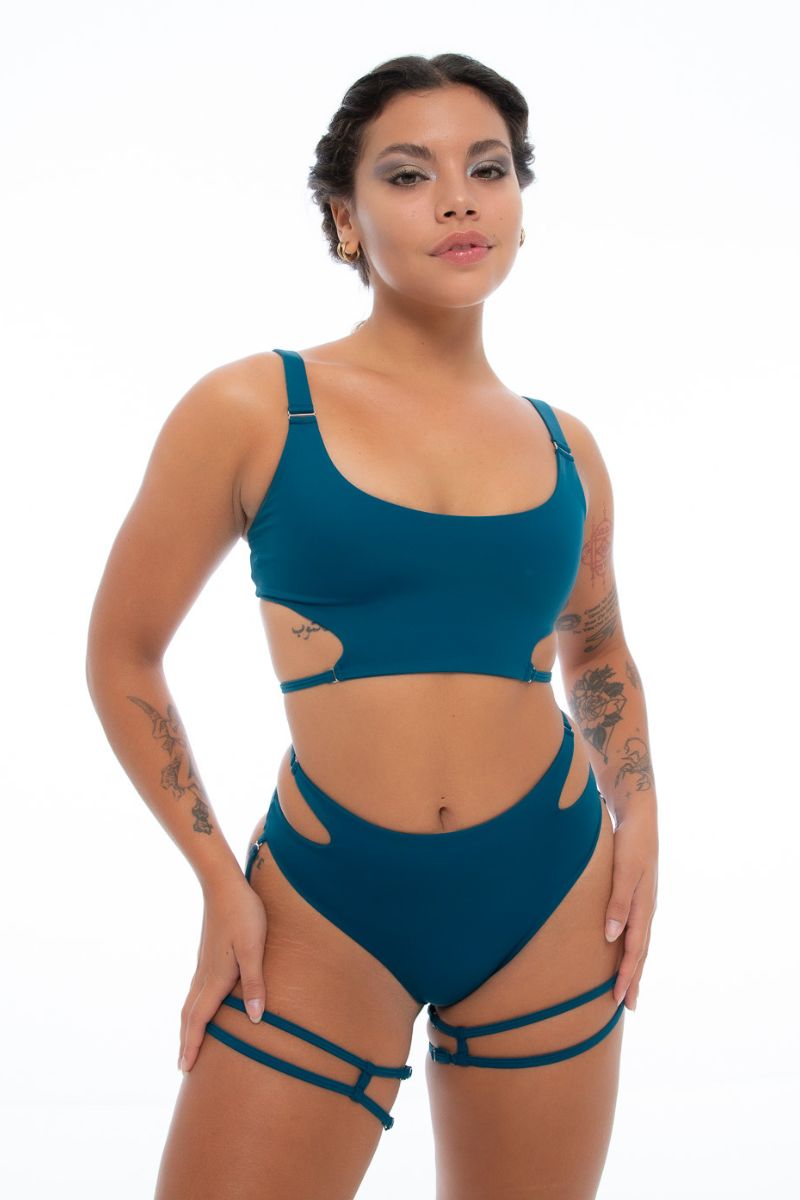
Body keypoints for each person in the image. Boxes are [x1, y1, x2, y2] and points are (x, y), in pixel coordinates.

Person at [86, 51, 659, 1200]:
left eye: (486, 169)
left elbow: (594, 646)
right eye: (407, 174)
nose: (456, 200)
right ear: (344, 219)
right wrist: (217, 879)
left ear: (518, 205)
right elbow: (124, 654)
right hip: (324, 905)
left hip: (549, 892)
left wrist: (639, 815)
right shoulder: (255, 409)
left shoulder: (567, 449)